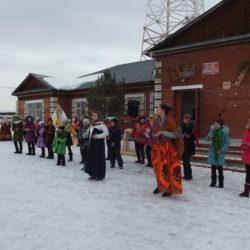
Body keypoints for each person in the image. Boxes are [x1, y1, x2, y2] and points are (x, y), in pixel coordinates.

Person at [151, 104, 183, 197]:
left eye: (158, 108)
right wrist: (149, 133)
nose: (157, 109)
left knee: (167, 168)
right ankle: (160, 186)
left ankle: (169, 189)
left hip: (167, 148)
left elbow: (176, 135)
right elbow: (154, 133)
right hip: (157, 148)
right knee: (158, 168)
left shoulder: (169, 120)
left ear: (163, 110)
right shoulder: (157, 120)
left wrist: (163, 132)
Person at [85, 111, 109, 181]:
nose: (94, 117)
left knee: (98, 160)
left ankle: (99, 175)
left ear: (98, 116)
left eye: (95, 115)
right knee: (92, 159)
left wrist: (98, 136)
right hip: (92, 144)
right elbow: (90, 134)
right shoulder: (92, 124)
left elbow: (107, 133)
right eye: (93, 116)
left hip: (99, 145)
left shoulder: (102, 124)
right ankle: (93, 174)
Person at [206, 119, 230, 188]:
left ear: (221, 125)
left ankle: (221, 183)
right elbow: (207, 139)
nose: (216, 126)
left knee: (220, 169)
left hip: (220, 153)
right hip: (213, 152)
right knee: (213, 168)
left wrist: (221, 150)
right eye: (215, 124)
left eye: (217, 124)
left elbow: (227, 143)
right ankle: (213, 182)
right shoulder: (213, 131)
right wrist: (210, 134)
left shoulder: (224, 133)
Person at [180, 114, 196, 180]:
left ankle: (189, 175)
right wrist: (181, 135)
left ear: (189, 120)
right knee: (184, 161)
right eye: (184, 119)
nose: (186, 120)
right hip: (183, 146)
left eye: (187, 119)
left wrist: (189, 137)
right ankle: (186, 175)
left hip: (189, 146)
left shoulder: (191, 127)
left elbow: (195, 137)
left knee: (186, 161)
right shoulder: (181, 126)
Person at [239, 119, 250, 197]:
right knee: (248, 174)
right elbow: (243, 143)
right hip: (248, 156)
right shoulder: (247, 132)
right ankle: (246, 191)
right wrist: (245, 144)